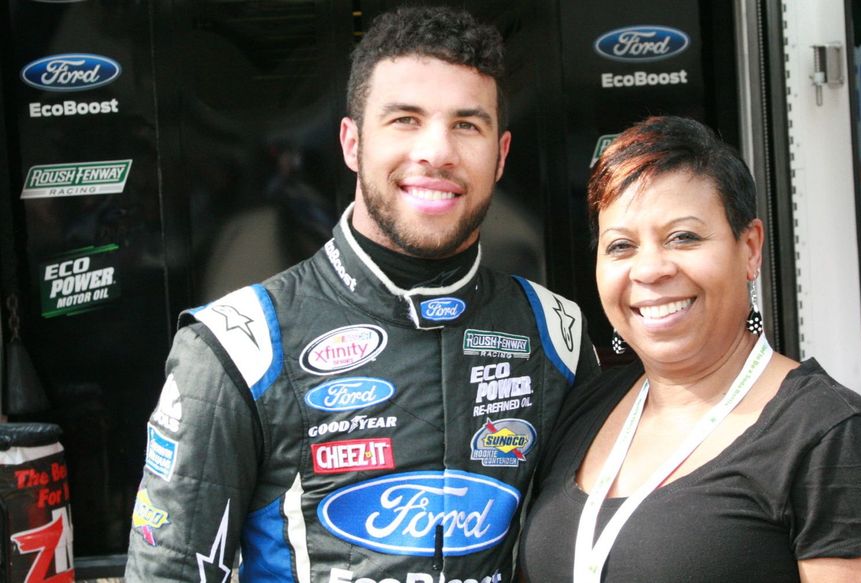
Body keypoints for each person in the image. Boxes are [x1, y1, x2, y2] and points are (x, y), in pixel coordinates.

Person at [125, 6, 599, 582]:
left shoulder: (556, 335)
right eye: (405, 120)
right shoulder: (237, 347)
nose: (436, 152)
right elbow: (168, 572)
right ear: (352, 143)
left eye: (466, 125)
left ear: (499, 156)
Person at [517, 116, 861, 582]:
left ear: (750, 248)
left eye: (684, 237)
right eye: (621, 246)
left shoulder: (834, 441)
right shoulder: (587, 407)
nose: (650, 270)